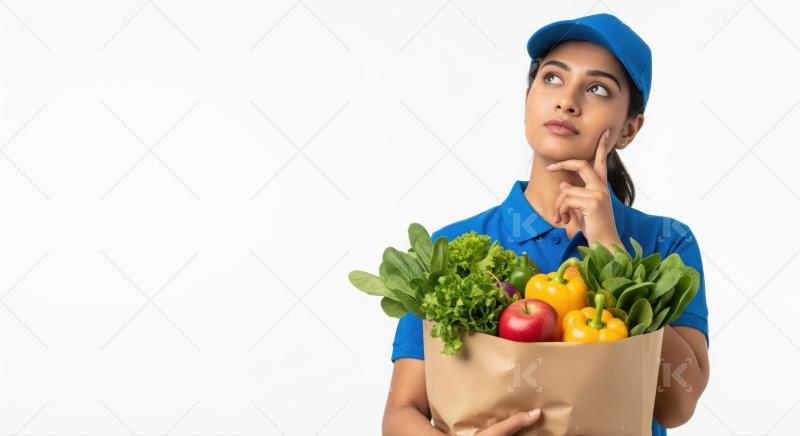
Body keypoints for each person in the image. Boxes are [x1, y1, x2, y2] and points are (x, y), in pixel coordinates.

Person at [383, 13, 710, 436]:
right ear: (527, 100)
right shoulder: (451, 245)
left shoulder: (665, 243)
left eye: (597, 88)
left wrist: (611, 251)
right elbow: (401, 413)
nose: (567, 100)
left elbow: (677, 405)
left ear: (629, 129)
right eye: (552, 79)